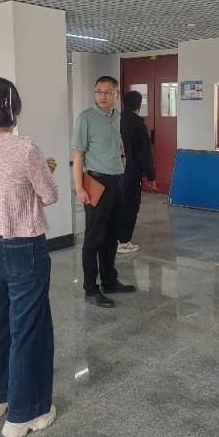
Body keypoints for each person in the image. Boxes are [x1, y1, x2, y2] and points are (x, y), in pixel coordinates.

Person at [0, 77, 59, 437]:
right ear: (16, 109)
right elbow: (48, 195)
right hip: (23, 248)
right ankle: (26, 413)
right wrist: (45, 172)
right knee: (28, 329)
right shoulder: (27, 149)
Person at [73, 76, 136, 308]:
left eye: (108, 92)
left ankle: (109, 280)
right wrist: (79, 187)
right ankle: (91, 289)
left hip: (117, 182)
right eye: (98, 91)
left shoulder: (117, 116)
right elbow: (78, 154)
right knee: (94, 238)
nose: (102, 96)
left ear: (116, 95)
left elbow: (118, 145)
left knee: (111, 235)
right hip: (96, 182)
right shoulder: (86, 118)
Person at [118, 90, 156, 254]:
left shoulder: (116, 121)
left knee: (117, 206)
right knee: (130, 207)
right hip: (131, 173)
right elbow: (144, 153)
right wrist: (151, 176)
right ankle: (123, 242)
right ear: (139, 105)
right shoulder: (138, 125)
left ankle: (114, 239)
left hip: (115, 173)